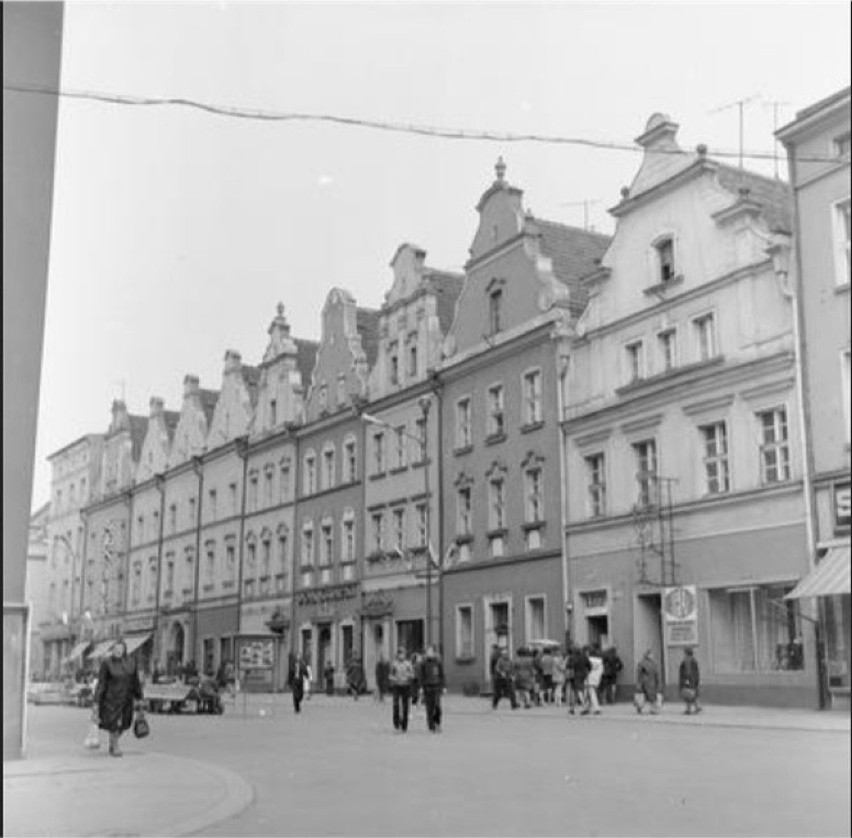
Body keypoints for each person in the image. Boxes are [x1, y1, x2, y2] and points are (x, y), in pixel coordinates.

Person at [93, 639, 144, 757]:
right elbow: (102, 683)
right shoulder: (107, 663)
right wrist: (96, 700)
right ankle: (115, 746)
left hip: (127, 698)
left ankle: (113, 741)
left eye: (120, 648)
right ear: (112, 649)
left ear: (125, 649)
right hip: (111, 699)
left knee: (125, 723)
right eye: (115, 648)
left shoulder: (131, 662)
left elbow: (135, 681)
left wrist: (140, 697)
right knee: (114, 723)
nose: (118, 651)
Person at [418, 646, 446, 732]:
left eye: (430, 651)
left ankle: (437, 723)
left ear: (434, 653)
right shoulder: (423, 663)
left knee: (437, 706)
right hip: (427, 687)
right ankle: (431, 725)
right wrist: (421, 687)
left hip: (436, 686)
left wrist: (444, 686)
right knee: (429, 708)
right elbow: (421, 676)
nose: (429, 653)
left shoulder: (438, 662)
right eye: (428, 652)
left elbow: (442, 675)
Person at [389, 648, 415, 732]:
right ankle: (396, 723)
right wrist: (395, 679)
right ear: (398, 655)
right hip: (397, 686)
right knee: (396, 705)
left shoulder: (408, 664)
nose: (401, 655)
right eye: (400, 654)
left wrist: (408, 676)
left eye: (403, 654)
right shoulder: (394, 664)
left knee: (405, 706)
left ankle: (404, 725)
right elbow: (390, 676)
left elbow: (412, 675)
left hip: (406, 686)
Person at [635, 649, 661, 715]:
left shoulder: (642, 663)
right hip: (650, 682)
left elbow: (639, 673)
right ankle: (652, 709)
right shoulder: (652, 664)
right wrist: (658, 682)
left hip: (645, 681)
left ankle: (640, 706)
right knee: (651, 696)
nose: (652, 656)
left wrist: (638, 682)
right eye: (651, 654)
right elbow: (656, 674)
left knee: (643, 695)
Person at [678, 647, 702, 715]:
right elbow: (696, 672)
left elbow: (687, 672)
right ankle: (697, 707)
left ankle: (689, 709)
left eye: (684, 653)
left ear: (686, 653)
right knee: (693, 694)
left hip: (688, 680)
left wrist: (686, 680)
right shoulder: (694, 660)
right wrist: (697, 680)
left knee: (688, 694)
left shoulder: (687, 661)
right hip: (694, 680)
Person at [567, 645, 590, 715]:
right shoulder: (584, 657)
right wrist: (587, 671)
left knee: (578, 690)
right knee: (576, 691)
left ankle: (584, 707)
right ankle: (572, 709)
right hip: (583, 675)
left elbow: (568, 666)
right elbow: (590, 665)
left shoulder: (572, 657)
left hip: (575, 675)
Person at [582, 645, 603, 715]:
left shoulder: (588, 660)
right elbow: (601, 671)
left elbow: (585, 669)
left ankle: (596, 708)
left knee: (589, 693)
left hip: (588, 678)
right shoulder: (600, 661)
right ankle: (587, 708)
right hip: (595, 679)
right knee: (590, 693)